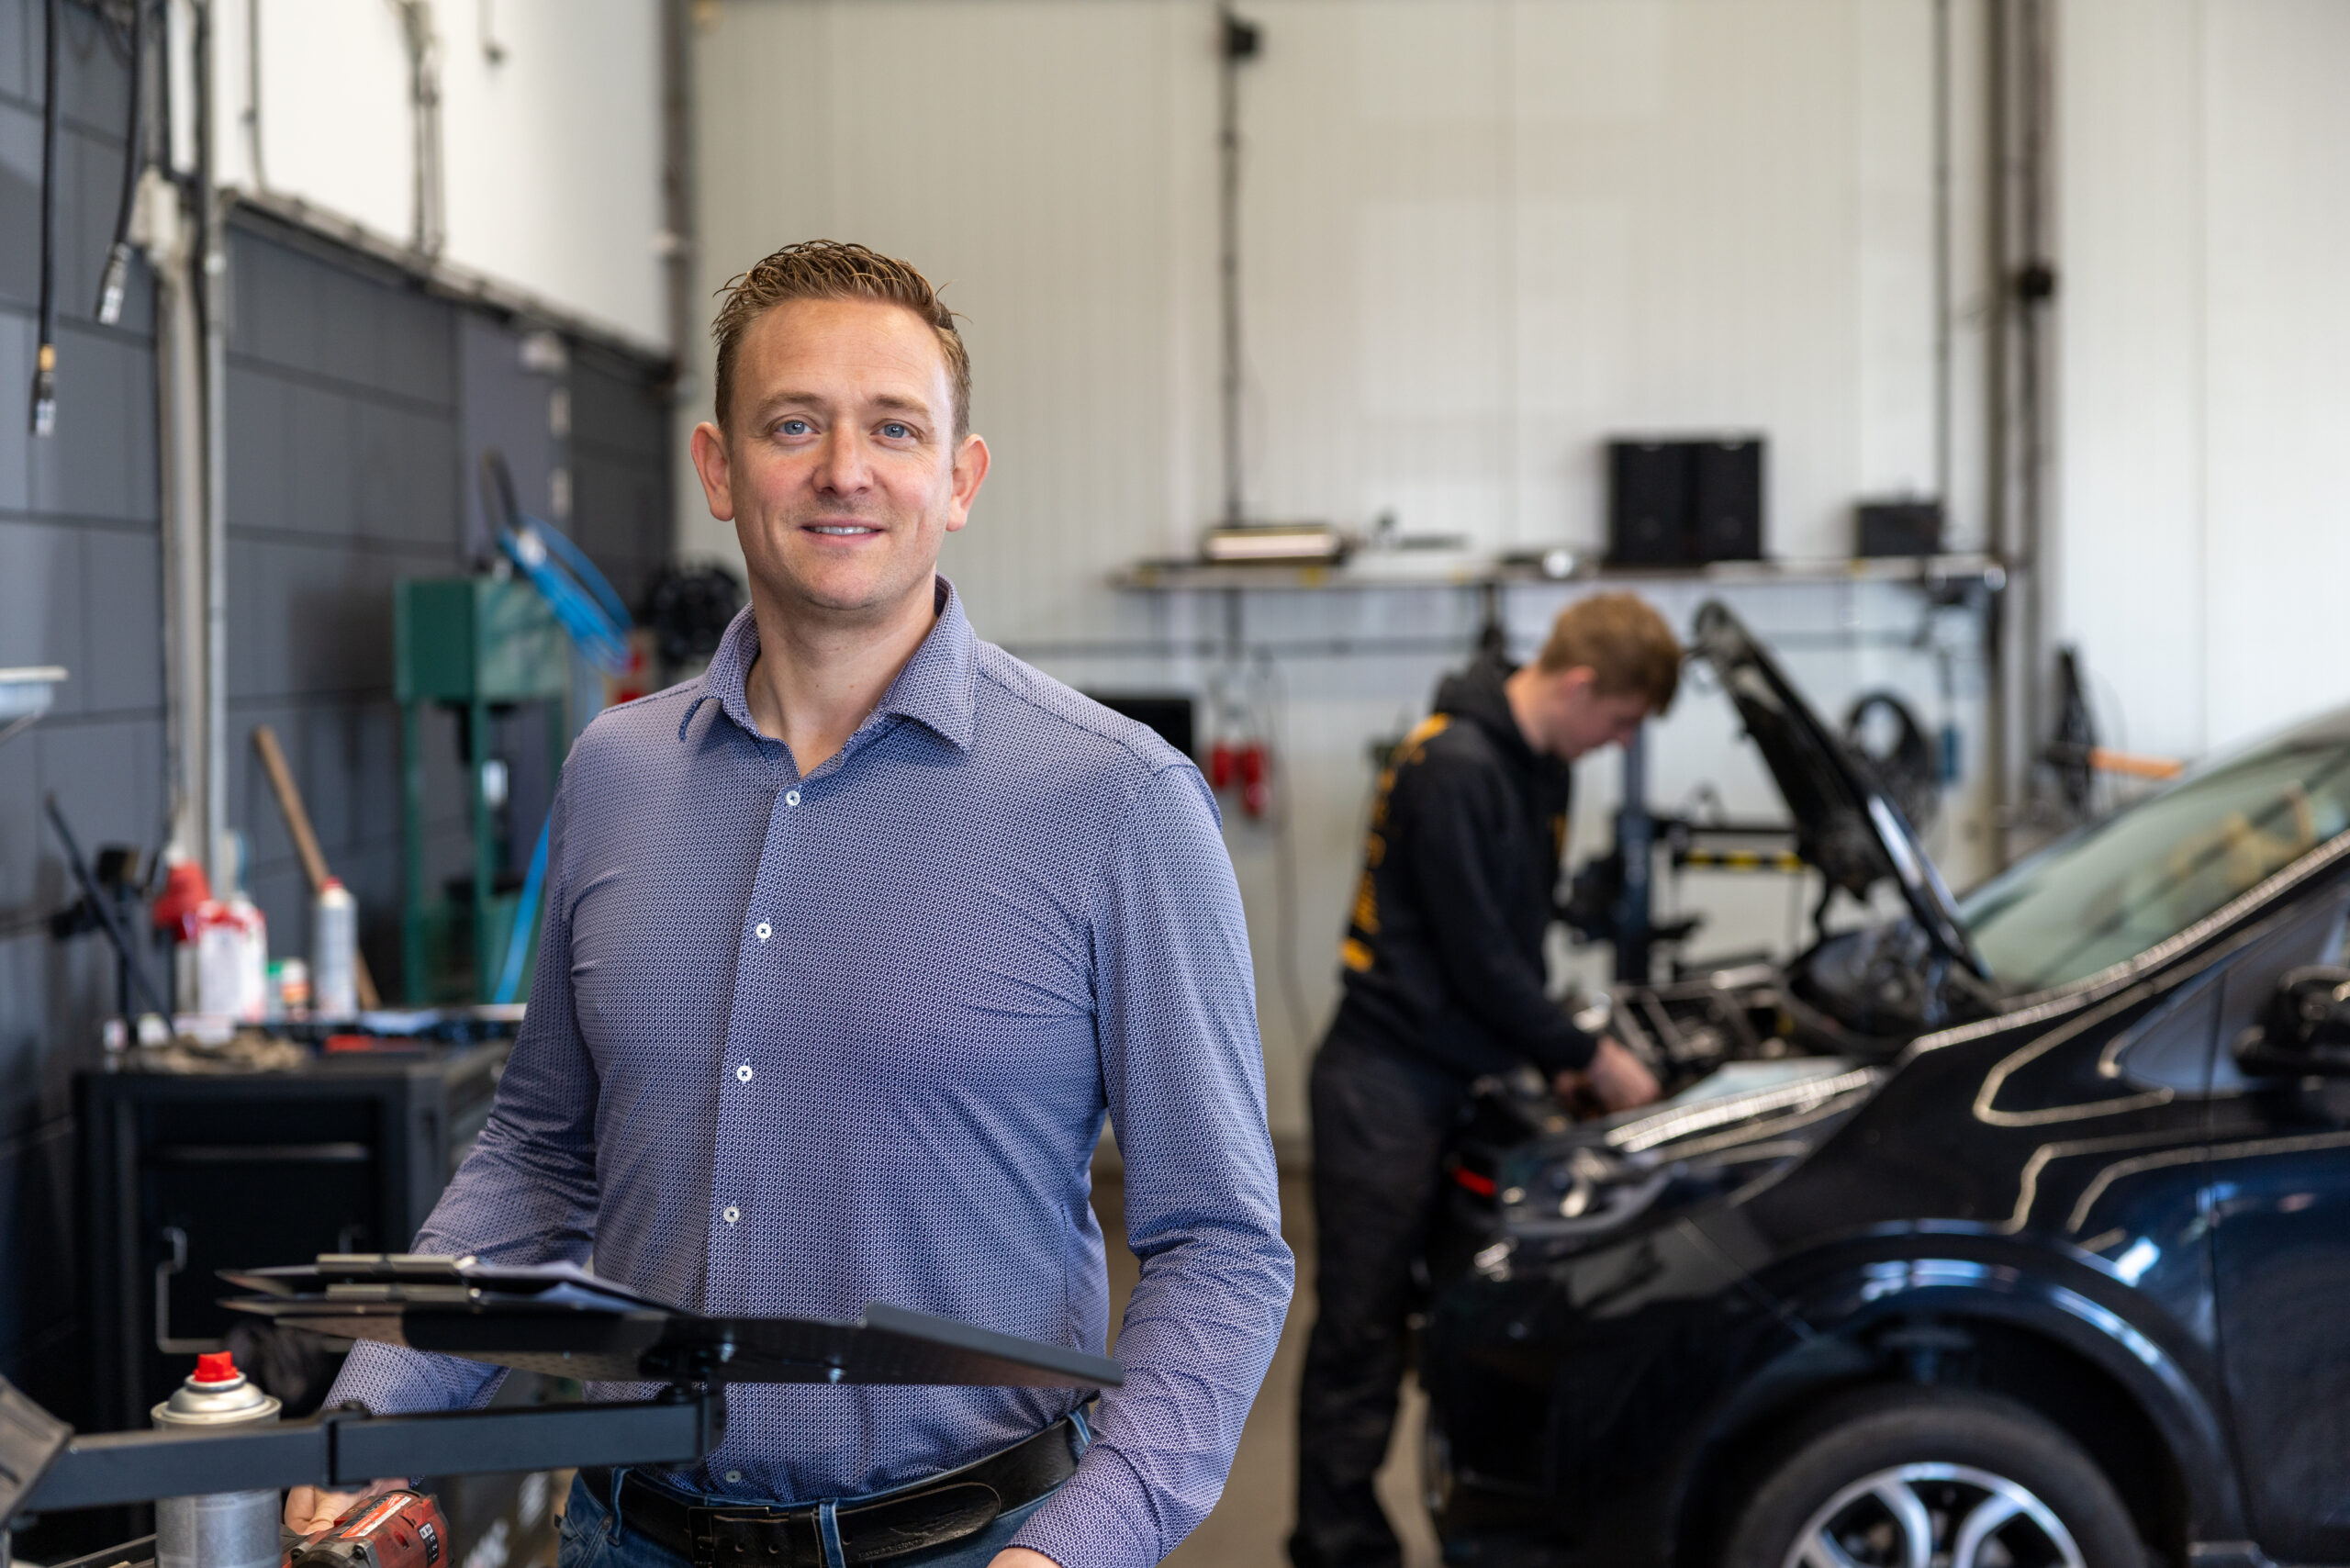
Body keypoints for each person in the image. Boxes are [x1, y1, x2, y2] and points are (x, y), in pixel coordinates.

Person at [287, 241, 1293, 1568]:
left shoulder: (1117, 803)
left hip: (970, 1544)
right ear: (718, 466)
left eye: (894, 428)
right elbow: (539, 1158)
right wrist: (369, 1420)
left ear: (960, 477)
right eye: (793, 424)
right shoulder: (616, 774)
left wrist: (1083, 1548)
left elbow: (1219, 1247)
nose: (844, 471)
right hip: (625, 1535)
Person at [1288, 593, 1682, 1568]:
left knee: (1465, 1320)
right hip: (1383, 1081)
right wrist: (1584, 1056)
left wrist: (1555, 1054)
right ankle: (1334, 1546)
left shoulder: (1537, 765)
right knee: (1362, 1330)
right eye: (1622, 722)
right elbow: (1479, 963)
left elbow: (1517, 942)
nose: (1615, 742)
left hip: (1461, 1069)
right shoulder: (1453, 766)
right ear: (1583, 684)